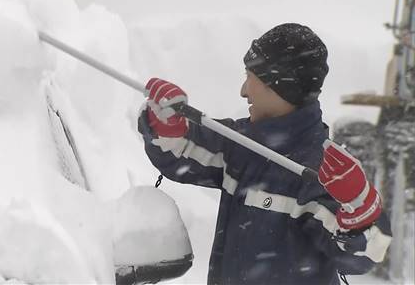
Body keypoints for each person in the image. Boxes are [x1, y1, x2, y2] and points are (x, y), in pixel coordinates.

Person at [137, 23, 392, 285]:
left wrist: (359, 209)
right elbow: (181, 152)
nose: (243, 90)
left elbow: (360, 256)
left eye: (250, 77)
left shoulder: (316, 172)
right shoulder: (241, 143)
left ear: (279, 85)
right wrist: (166, 123)